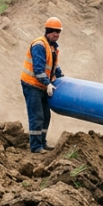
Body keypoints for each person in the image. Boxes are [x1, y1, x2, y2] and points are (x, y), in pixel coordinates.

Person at [20, 17, 64, 154]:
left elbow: (54, 66)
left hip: (42, 86)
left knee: (45, 116)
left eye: (58, 31)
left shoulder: (53, 47)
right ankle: (35, 146)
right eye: (54, 31)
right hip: (32, 85)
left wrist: (62, 77)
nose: (56, 34)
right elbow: (38, 69)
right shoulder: (39, 45)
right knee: (37, 116)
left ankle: (42, 142)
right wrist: (48, 84)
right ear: (48, 31)